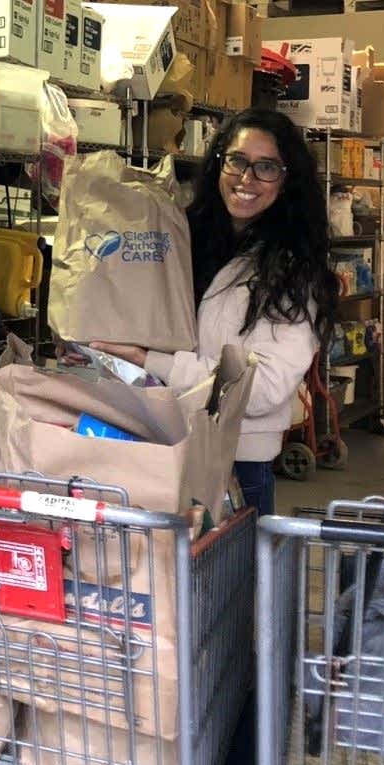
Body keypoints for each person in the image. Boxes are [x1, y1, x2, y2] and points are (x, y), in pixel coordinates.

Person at [93, 107, 337, 517]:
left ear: (287, 179)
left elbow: (261, 388)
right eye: (237, 160)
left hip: (234, 462)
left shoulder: (294, 272)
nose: (246, 179)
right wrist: (98, 349)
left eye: (266, 168)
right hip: (154, 443)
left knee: (222, 580)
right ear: (219, 160)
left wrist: (150, 360)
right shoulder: (181, 238)